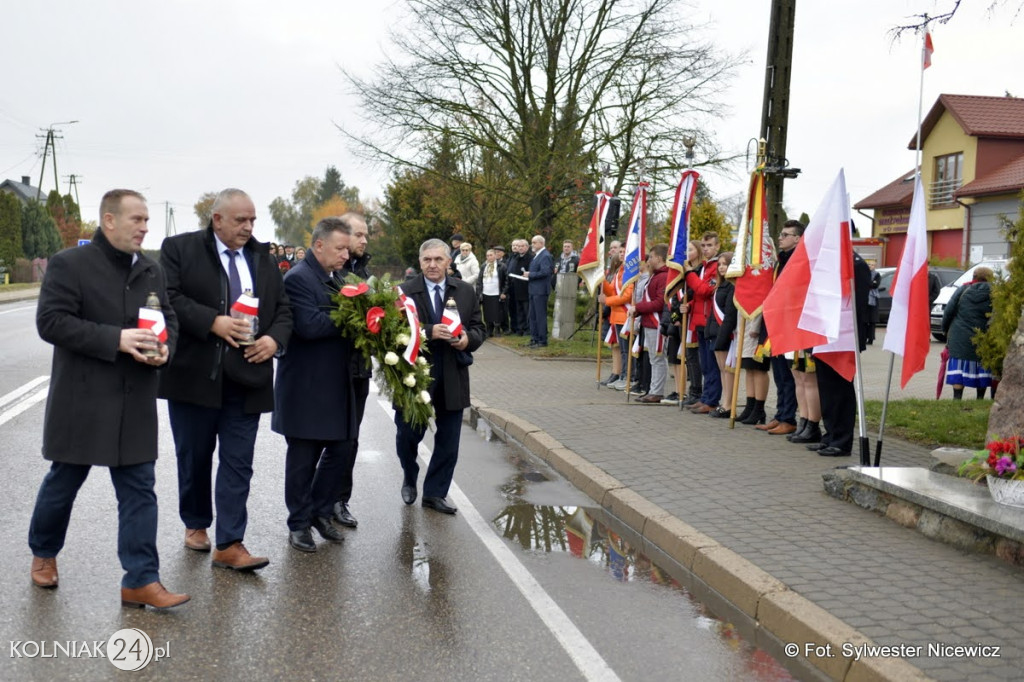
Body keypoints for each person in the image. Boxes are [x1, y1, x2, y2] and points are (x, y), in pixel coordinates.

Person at [29, 189, 189, 609]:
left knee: (140, 489)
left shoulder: (150, 270)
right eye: (136, 219)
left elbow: (167, 316)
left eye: (146, 220)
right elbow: (51, 322)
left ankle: (141, 579)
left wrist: (166, 345)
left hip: (134, 398)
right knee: (63, 482)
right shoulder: (70, 264)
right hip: (82, 398)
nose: (144, 227)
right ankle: (43, 553)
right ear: (109, 220)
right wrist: (114, 339)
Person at [159, 188, 293, 570]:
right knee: (195, 458)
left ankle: (230, 542)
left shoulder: (263, 259)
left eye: (252, 220)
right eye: (241, 220)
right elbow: (167, 297)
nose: (249, 227)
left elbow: (283, 310)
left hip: (247, 378)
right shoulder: (180, 250)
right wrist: (211, 322)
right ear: (217, 219)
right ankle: (196, 522)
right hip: (195, 377)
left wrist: (273, 339)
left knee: (238, 463)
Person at [273, 218, 354, 552]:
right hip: (305, 385)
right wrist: (354, 318)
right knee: (303, 458)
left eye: (347, 248)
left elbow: (330, 319)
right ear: (318, 245)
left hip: (334, 382)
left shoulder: (336, 279)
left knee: (342, 448)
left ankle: (320, 512)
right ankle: (298, 524)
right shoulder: (297, 279)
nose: (346, 255)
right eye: (340, 248)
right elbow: (310, 325)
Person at [395, 239, 485, 514]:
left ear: (449, 262)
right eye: (427, 260)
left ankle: (435, 494)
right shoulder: (404, 292)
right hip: (416, 375)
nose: (432, 265)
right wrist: (428, 330)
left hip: (452, 373)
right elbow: (392, 332)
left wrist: (468, 339)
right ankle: (410, 474)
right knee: (408, 434)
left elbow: (479, 328)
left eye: (438, 259)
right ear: (420, 263)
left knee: (448, 441)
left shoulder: (466, 291)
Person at [809, 249, 871, 457]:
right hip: (824, 336)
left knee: (841, 390)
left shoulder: (857, 265)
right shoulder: (827, 263)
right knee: (826, 389)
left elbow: (859, 305)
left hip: (844, 337)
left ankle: (842, 441)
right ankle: (830, 435)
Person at [335, 211, 373, 528]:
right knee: (328, 439)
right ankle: (318, 499)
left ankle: (340, 500)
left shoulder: (363, 271)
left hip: (359, 368)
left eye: (365, 235)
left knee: (351, 438)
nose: (364, 240)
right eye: (359, 234)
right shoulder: (331, 272)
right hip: (334, 370)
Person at [757, 220, 801, 434]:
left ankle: (789, 418)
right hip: (776, 323)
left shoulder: (798, 261)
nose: (780, 238)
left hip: (790, 324)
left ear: (797, 238)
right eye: (781, 234)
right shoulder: (780, 261)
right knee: (780, 375)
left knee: (789, 376)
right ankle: (780, 414)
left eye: (786, 234)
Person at [942, 266, 995, 400]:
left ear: (974, 277)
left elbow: (948, 312)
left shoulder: (963, 290)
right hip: (984, 337)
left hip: (960, 337)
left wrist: (945, 330)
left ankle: (957, 399)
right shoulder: (996, 293)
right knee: (982, 368)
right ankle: (980, 399)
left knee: (959, 370)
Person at [684, 233, 722, 413]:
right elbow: (699, 297)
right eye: (704, 245)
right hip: (699, 320)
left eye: (709, 245)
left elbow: (705, 290)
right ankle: (705, 397)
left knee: (712, 365)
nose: (706, 249)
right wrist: (689, 306)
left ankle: (712, 400)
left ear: (717, 247)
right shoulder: (703, 267)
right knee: (705, 364)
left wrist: (689, 274)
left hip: (710, 322)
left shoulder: (715, 267)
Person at [634, 245, 671, 403]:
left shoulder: (663, 277)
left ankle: (657, 391)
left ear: (660, 258)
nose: (648, 260)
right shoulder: (655, 276)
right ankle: (653, 389)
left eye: (651, 257)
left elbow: (658, 303)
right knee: (653, 358)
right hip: (649, 321)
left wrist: (638, 307)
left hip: (657, 322)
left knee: (657, 358)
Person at [707, 253, 737, 418]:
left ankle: (728, 404)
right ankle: (724, 403)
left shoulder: (732, 287)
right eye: (719, 264)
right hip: (715, 333)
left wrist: (721, 337)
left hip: (725, 335)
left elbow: (730, 316)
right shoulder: (720, 286)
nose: (721, 267)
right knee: (722, 370)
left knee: (727, 370)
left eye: (725, 264)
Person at [600, 241, 633, 389]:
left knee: (626, 349)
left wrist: (607, 300)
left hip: (625, 315)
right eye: (620, 251)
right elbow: (613, 291)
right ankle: (621, 374)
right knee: (621, 348)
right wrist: (601, 280)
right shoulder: (620, 270)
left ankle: (627, 376)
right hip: (616, 315)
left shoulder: (630, 271)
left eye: (624, 251)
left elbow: (626, 296)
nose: (621, 254)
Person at [526, 235, 553, 348]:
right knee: (532, 315)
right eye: (532, 242)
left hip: (540, 290)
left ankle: (542, 340)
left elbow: (545, 272)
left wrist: (530, 274)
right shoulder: (537, 256)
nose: (532, 245)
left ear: (541, 243)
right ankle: (534, 338)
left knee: (540, 316)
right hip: (534, 289)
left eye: (534, 242)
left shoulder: (545, 255)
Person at [476, 248, 507, 337]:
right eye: (488, 255)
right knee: (487, 312)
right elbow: (479, 280)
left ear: (495, 256)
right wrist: (479, 292)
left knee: (497, 312)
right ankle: (489, 329)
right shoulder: (484, 266)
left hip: (496, 292)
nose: (489, 257)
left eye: (491, 255)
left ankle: (497, 329)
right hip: (486, 292)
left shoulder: (501, 266)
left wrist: (504, 292)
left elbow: (506, 280)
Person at [505, 239, 533, 335]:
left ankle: (527, 329)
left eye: (522, 246)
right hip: (516, 287)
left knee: (527, 311)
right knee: (519, 311)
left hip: (525, 288)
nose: (520, 248)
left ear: (527, 247)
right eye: (519, 246)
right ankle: (520, 329)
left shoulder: (530, 258)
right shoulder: (516, 257)